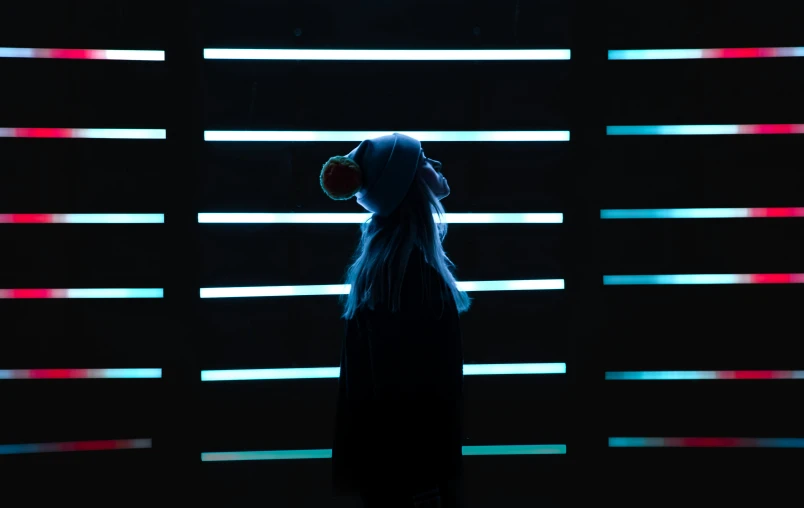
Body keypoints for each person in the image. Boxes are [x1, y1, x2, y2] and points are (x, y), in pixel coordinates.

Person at [321, 133, 471, 507]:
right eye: (422, 161)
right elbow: (412, 396)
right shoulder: (413, 277)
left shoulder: (387, 273)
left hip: (391, 479)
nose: (434, 165)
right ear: (406, 184)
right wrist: (428, 487)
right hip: (414, 482)